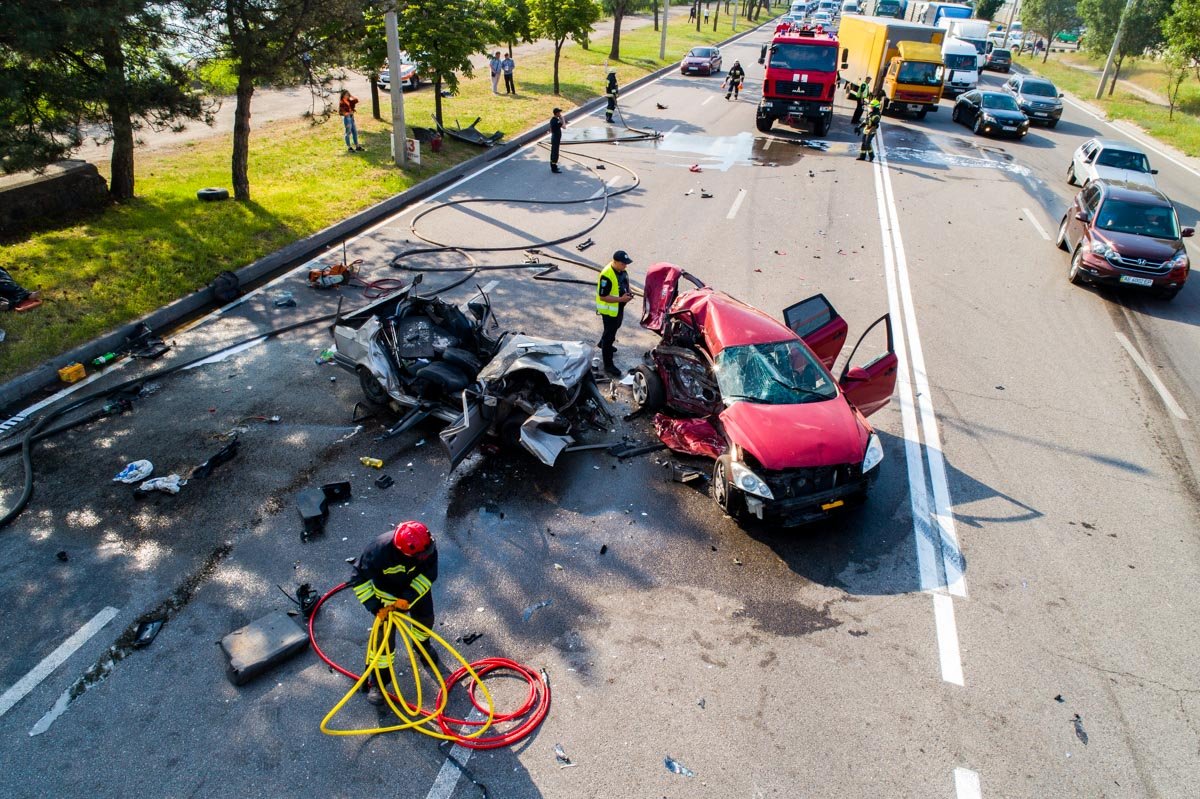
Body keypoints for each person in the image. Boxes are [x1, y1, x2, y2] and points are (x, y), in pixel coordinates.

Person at [349, 521, 439, 705]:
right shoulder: (377, 551)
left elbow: (429, 575)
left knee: (425, 620)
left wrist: (409, 597)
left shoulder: (426, 546)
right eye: (419, 556)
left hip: (416, 591)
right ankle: (379, 683)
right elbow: (358, 579)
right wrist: (375, 607)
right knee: (382, 646)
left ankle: (422, 646)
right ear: (402, 551)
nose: (424, 557)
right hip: (386, 600)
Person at [596, 250, 635, 377]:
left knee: (614, 327)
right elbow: (603, 296)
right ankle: (608, 365)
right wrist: (621, 299)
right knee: (610, 336)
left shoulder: (622, 270)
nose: (626, 266)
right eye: (623, 263)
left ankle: (602, 343)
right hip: (609, 311)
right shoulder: (606, 275)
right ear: (616, 262)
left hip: (619, 308)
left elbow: (625, 282)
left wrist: (628, 292)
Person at [549, 107, 566, 173]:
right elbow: (564, 127)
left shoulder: (553, 120)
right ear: (556, 113)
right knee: (555, 153)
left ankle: (554, 166)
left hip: (555, 138)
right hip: (555, 139)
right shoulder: (556, 121)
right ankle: (554, 168)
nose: (560, 114)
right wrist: (563, 119)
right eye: (559, 112)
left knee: (554, 152)